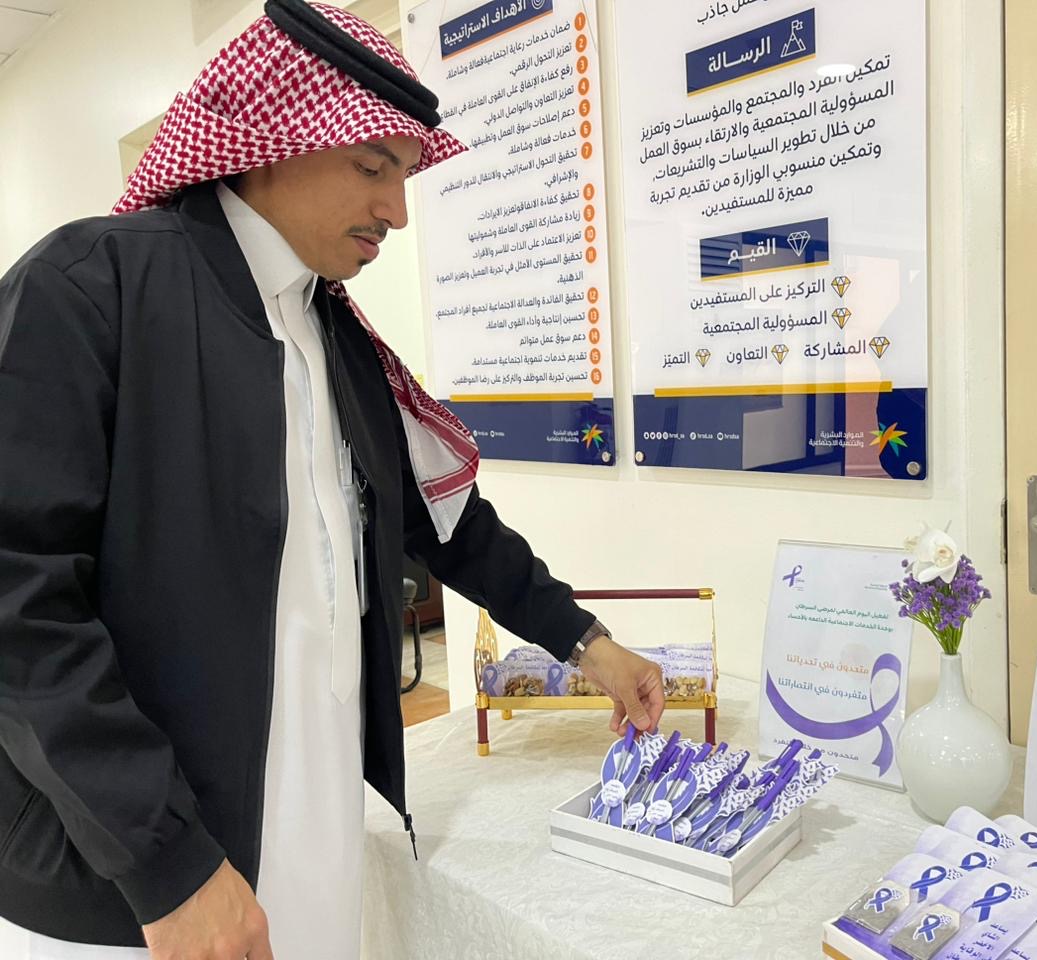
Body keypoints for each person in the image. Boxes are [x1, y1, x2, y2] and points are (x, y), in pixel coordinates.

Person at [0, 2, 663, 957]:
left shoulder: (333, 334)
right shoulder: (89, 288)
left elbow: (446, 525)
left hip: (311, 832)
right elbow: (20, 605)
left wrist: (588, 642)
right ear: (269, 141)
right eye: (373, 166)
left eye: (403, 175)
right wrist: (166, 864)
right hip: (127, 885)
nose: (397, 210)